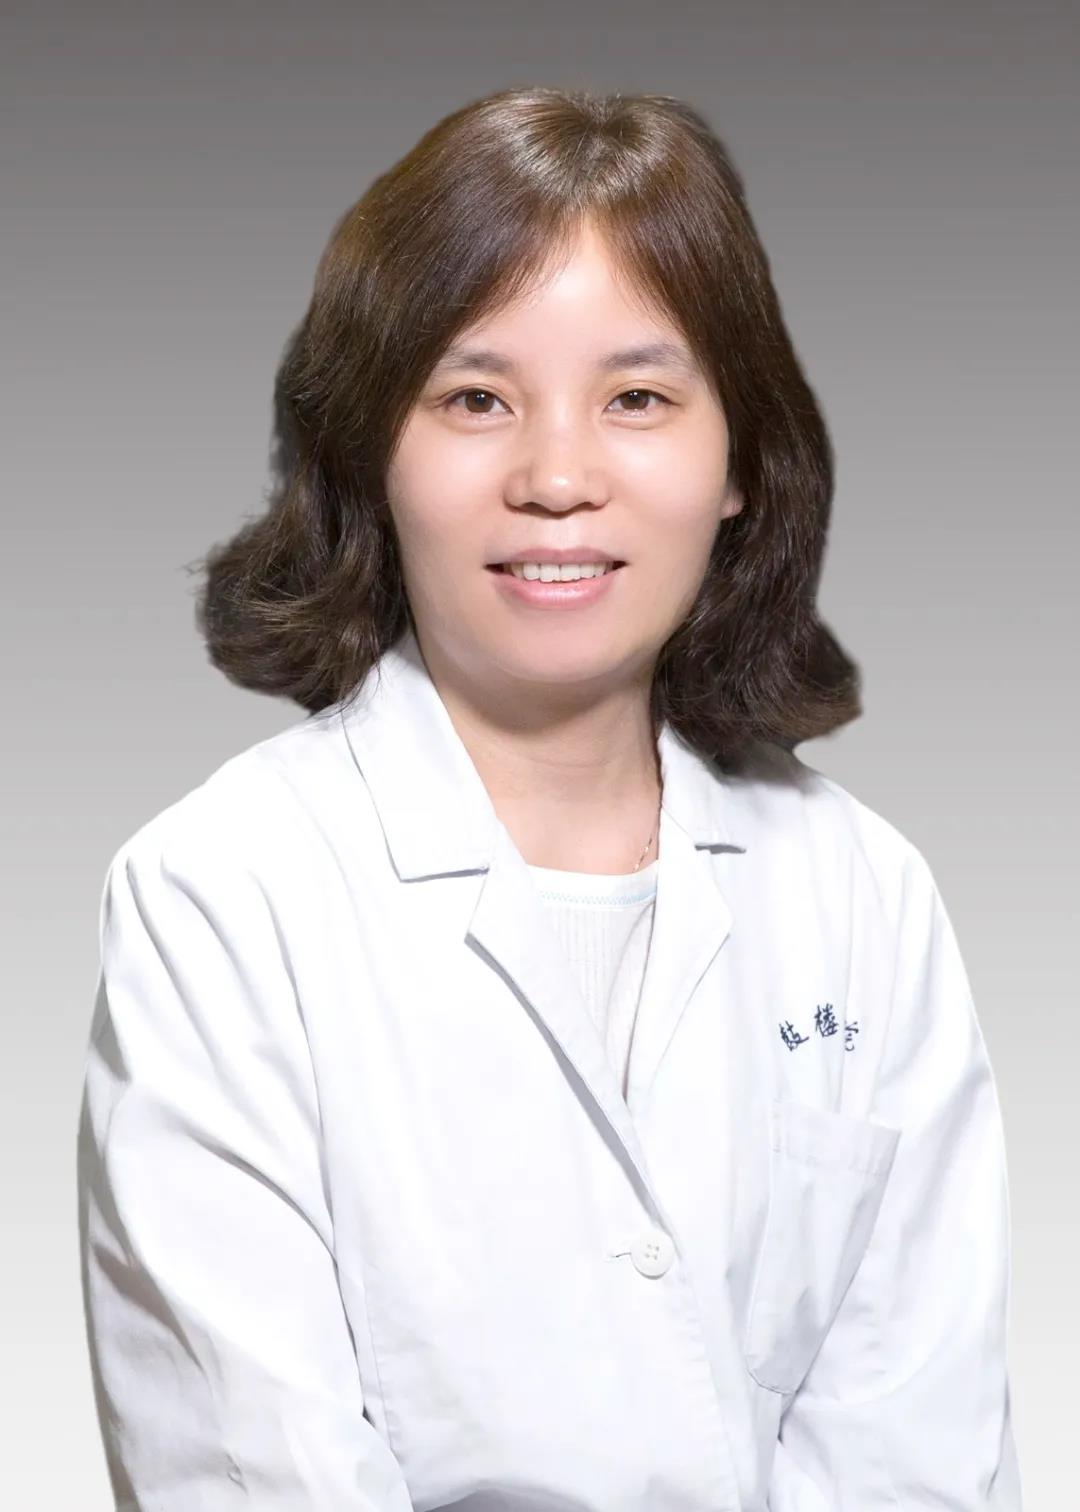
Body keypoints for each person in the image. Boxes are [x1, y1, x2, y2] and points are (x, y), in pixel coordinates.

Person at [76, 85, 1022, 1510]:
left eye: (638, 398)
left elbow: (919, 1445)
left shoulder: (860, 891)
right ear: (371, 454)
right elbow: (252, 1466)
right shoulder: (220, 894)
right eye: (476, 399)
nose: (559, 477)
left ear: (739, 463)